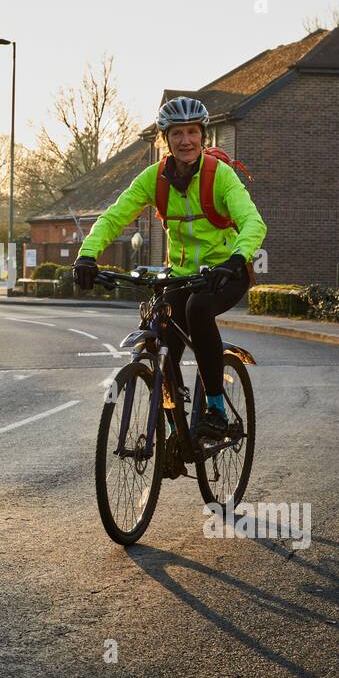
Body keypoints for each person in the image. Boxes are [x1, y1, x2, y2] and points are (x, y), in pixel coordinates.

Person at [73, 96, 267, 438]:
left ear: (203, 136)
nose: (186, 140)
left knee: (198, 308)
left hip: (225, 273)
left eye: (192, 132)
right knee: (162, 333)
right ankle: (172, 425)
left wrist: (237, 258)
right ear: (166, 138)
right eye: (177, 133)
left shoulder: (219, 176)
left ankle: (216, 408)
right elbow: (115, 216)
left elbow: (253, 222)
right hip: (181, 276)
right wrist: (88, 255)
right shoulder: (154, 178)